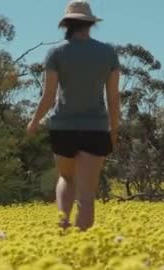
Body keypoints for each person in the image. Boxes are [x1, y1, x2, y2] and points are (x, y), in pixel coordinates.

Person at [26, 0, 121, 231]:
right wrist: (114, 130)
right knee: (87, 196)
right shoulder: (108, 53)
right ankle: (82, 248)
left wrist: (34, 121)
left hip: (63, 128)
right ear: (90, 24)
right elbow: (113, 97)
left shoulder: (56, 53)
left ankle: (63, 226)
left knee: (66, 178)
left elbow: (48, 97)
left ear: (66, 23)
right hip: (96, 129)